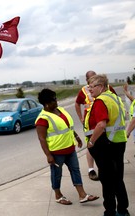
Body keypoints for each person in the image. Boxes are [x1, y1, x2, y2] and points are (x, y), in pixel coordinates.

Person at [35, 88, 99, 205]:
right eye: (54, 99)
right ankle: (58, 195)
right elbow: (42, 139)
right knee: (57, 174)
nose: (56, 101)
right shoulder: (42, 119)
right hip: (56, 152)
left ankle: (82, 195)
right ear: (47, 103)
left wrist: (76, 137)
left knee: (75, 170)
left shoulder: (60, 110)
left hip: (70, 148)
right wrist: (48, 155)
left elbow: (68, 126)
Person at [84, 74, 129, 216]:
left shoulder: (100, 101)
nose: (89, 90)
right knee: (117, 179)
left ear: (101, 87)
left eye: (92, 87)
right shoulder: (113, 97)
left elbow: (101, 124)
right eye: (88, 86)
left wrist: (91, 142)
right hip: (118, 142)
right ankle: (122, 210)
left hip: (105, 144)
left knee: (107, 181)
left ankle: (110, 211)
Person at [75, 70, 116, 181]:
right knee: (91, 145)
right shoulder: (83, 90)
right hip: (90, 124)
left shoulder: (107, 88)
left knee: (102, 146)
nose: (92, 81)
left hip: (102, 122)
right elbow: (77, 103)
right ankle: (91, 170)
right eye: (90, 79)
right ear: (86, 80)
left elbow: (114, 100)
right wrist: (81, 118)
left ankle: (105, 169)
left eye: (94, 78)